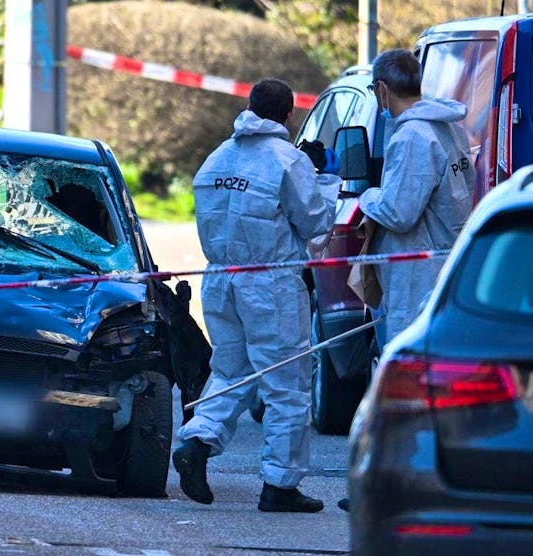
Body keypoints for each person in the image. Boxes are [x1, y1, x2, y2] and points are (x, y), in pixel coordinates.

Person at [172, 78, 341, 513]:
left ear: (249, 106)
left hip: (221, 280)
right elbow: (317, 224)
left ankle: (196, 441)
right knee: (286, 385)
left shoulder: (216, 160)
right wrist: (321, 178)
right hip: (271, 285)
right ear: (289, 114)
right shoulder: (288, 161)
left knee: (232, 371)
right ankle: (280, 486)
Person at [360, 49, 475, 343]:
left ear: (382, 89)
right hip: (446, 261)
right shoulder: (450, 128)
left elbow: (399, 214)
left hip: (417, 275)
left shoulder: (412, 137)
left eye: (374, 90)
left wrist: (368, 197)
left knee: (414, 366)